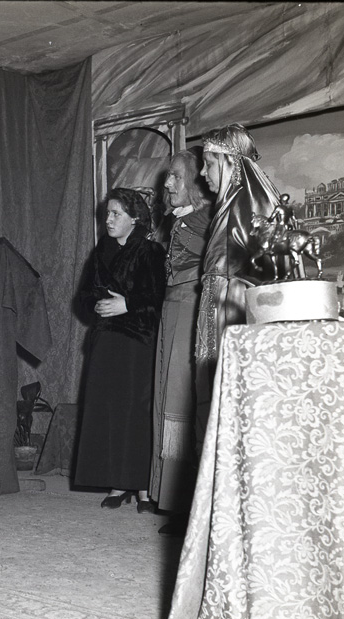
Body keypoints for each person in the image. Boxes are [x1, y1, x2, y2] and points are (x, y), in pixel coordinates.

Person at [74, 187, 166, 512]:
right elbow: (83, 296)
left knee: (136, 413)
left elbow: (159, 297)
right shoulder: (101, 251)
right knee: (109, 412)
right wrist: (97, 303)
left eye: (116, 214)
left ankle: (142, 487)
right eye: (107, 214)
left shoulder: (151, 252)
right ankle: (117, 483)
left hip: (137, 341)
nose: (108, 220)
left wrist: (127, 304)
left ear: (135, 218)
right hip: (105, 340)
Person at [195, 123, 280, 447]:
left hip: (235, 320)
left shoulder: (247, 213)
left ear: (231, 165)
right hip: (217, 318)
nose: (202, 173)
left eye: (209, 164)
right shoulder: (226, 211)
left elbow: (260, 279)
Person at [150, 147, 215, 537]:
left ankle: (188, 503)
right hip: (170, 311)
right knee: (166, 401)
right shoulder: (176, 222)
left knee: (182, 404)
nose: (168, 183)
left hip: (192, 309)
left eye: (176, 176)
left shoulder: (206, 220)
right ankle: (168, 495)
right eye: (168, 176)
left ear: (193, 181)